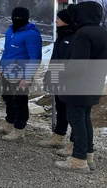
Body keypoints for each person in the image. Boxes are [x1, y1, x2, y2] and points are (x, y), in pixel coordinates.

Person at [55, 1, 107, 173]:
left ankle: (79, 160)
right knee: (85, 120)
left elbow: (77, 64)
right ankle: (87, 155)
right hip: (94, 83)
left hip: (78, 85)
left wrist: (60, 74)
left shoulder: (83, 33)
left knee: (77, 121)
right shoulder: (102, 32)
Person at [0, 7, 42, 141]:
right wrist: (0, 67)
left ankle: (19, 130)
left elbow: (35, 57)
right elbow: (7, 52)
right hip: (8, 71)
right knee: (8, 98)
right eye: (14, 17)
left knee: (19, 101)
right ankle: (9, 123)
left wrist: (27, 77)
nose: (16, 20)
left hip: (21, 73)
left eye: (19, 18)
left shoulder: (32, 34)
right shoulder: (10, 31)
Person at [39, 8, 76, 150]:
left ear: (66, 21)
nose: (56, 21)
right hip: (58, 77)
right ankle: (59, 136)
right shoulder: (61, 36)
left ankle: (74, 142)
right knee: (60, 108)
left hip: (68, 79)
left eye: (59, 19)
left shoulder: (73, 37)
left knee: (72, 112)